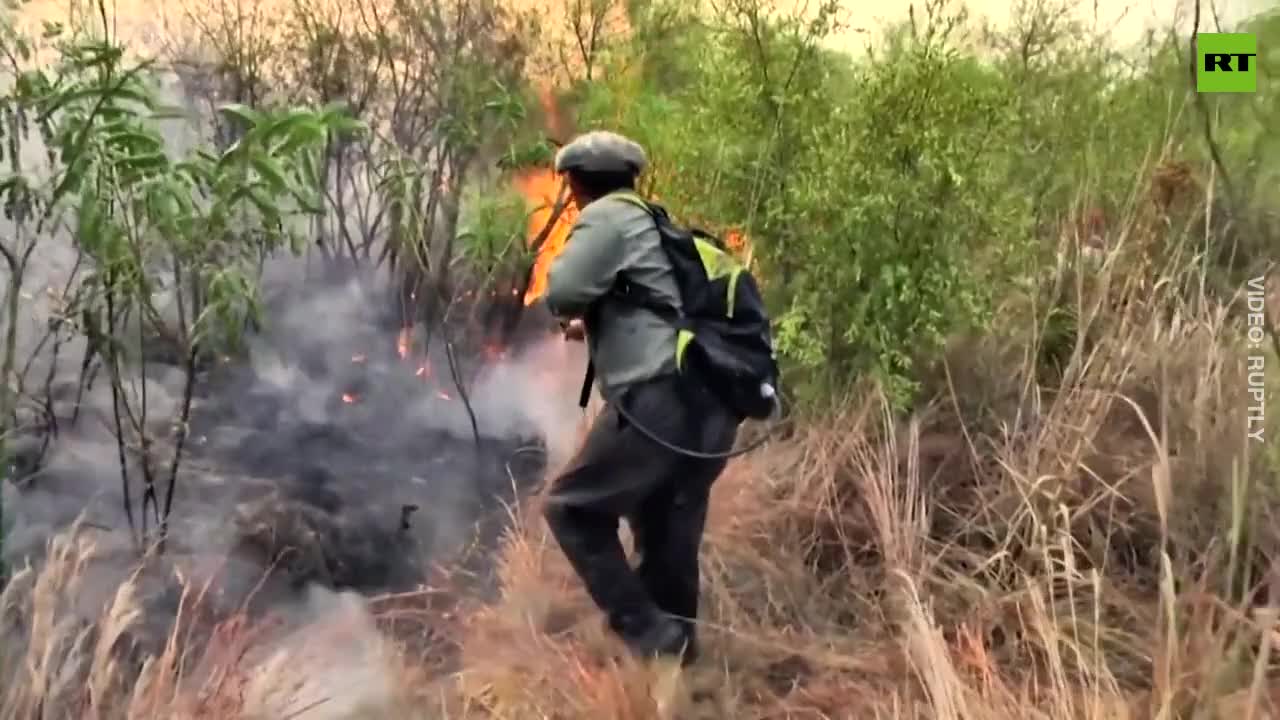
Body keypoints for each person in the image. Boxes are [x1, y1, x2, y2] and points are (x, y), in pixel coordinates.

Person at [541, 130, 740, 665]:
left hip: (659, 403)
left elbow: (560, 290)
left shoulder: (608, 218)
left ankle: (652, 637)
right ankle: (682, 683)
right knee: (666, 543)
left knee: (571, 510)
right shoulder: (658, 224)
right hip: (710, 408)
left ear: (579, 183)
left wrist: (577, 306)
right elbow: (659, 308)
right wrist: (598, 326)